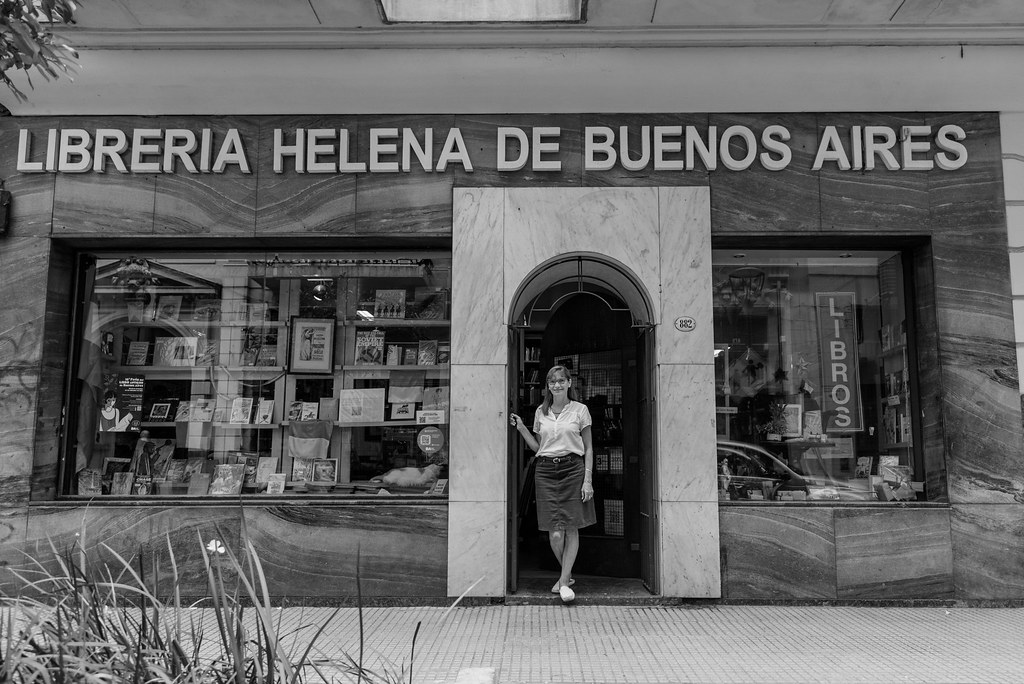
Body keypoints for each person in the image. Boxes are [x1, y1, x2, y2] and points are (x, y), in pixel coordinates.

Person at [510, 364, 595, 604]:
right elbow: (539, 448)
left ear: (569, 383)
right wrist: (522, 428)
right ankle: (566, 577)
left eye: (560, 380)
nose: (556, 385)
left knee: (571, 527)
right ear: (547, 386)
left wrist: (587, 479)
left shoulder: (580, 410)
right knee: (555, 533)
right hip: (546, 471)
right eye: (552, 381)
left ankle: (564, 581)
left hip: (573, 469)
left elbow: (588, 448)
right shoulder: (541, 411)